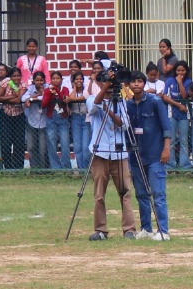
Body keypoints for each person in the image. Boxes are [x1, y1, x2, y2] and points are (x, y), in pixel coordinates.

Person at [85, 74, 137, 240]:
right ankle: (100, 230)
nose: (109, 86)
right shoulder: (92, 98)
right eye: (105, 82)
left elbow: (124, 125)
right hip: (100, 152)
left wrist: (109, 110)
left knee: (125, 191)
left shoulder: (121, 103)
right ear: (100, 83)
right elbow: (94, 107)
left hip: (119, 152)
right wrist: (106, 89)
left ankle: (129, 229)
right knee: (99, 194)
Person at [126, 74, 172, 240]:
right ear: (129, 85)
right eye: (133, 81)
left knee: (158, 194)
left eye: (139, 81)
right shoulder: (127, 105)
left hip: (155, 155)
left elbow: (166, 126)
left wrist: (166, 149)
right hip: (136, 156)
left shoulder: (155, 101)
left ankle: (163, 230)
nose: (136, 84)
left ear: (144, 84)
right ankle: (146, 228)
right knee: (141, 194)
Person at [0, 65, 27, 170]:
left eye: (18, 76)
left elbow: (18, 100)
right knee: (6, 143)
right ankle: (8, 168)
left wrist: (6, 98)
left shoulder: (23, 84)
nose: (16, 78)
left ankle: (18, 168)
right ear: (10, 76)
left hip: (19, 116)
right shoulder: (5, 82)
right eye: (14, 76)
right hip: (6, 115)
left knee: (19, 143)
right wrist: (13, 96)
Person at [22, 71, 51, 168]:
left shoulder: (48, 87)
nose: (39, 82)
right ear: (33, 81)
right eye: (37, 80)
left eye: (41, 80)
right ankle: (34, 169)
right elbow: (23, 98)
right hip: (32, 121)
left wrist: (31, 99)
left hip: (44, 122)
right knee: (31, 147)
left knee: (43, 149)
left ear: (44, 80)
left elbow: (46, 97)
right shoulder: (30, 88)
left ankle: (44, 169)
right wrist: (38, 94)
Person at [67, 72, 92, 170]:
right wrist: (74, 88)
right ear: (73, 81)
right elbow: (71, 98)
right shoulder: (71, 90)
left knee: (85, 147)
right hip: (75, 118)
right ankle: (81, 169)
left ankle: (87, 169)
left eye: (81, 79)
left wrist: (71, 98)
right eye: (76, 79)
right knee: (77, 146)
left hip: (86, 118)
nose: (79, 81)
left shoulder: (86, 90)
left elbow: (82, 97)